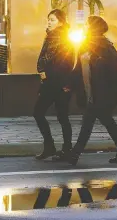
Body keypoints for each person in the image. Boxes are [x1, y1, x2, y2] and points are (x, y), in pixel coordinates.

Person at [67, 16, 117, 166]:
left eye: (87, 25)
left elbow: (116, 70)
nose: (84, 27)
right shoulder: (84, 45)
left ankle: (74, 154)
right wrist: (70, 84)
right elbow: (79, 69)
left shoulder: (106, 47)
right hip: (90, 93)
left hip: (103, 93)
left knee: (88, 123)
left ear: (93, 28)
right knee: (107, 122)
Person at [33, 9, 75, 160]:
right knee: (49, 115)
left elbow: (66, 63)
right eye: (48, 19)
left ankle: (64, 149)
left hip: (60, 84)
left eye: (52, 20)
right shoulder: (50, 38)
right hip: (50, 83)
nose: (49, 22)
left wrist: (49, 76)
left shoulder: (64, 39)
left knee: (56, 115)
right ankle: (54, 147)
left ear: (61, 22)